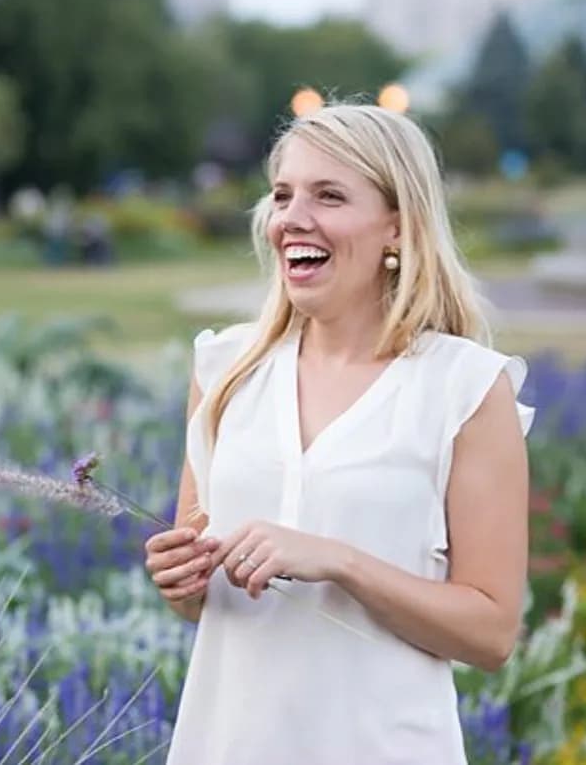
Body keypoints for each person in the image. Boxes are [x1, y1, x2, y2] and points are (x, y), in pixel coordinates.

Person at [144, 104, 534, 764]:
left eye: (328, 195)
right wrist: (180, 582)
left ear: (398, 226)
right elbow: (201, 600)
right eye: (282, 195)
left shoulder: (464, 388)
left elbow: (492, 633)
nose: (292, 218)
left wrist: (341, 562)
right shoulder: (224, 370)